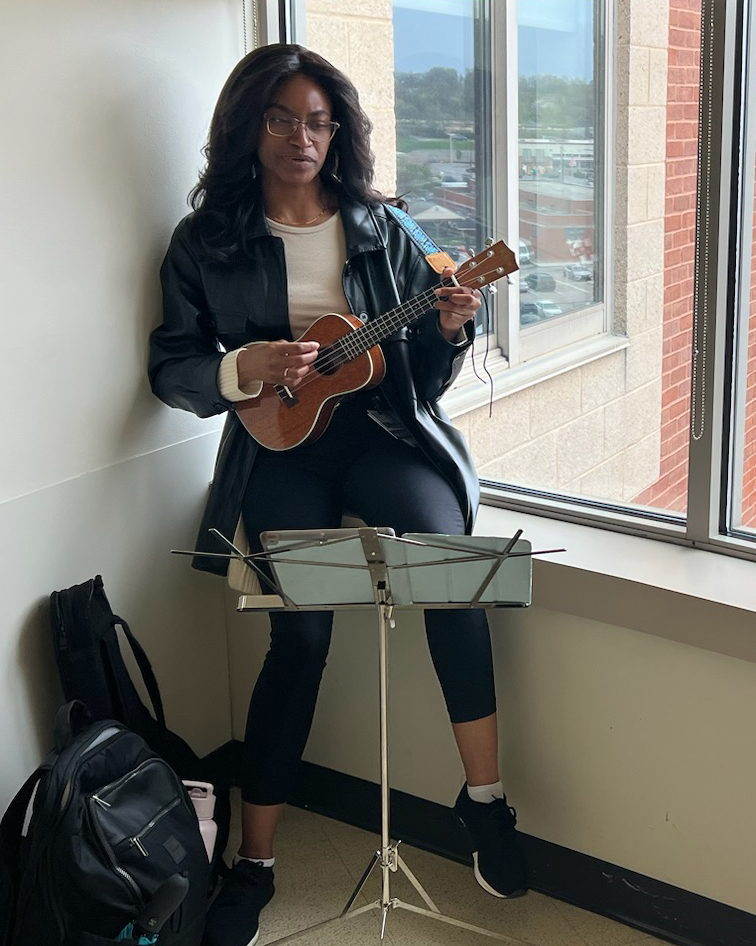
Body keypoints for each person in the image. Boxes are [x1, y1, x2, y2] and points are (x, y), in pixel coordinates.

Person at [149, 43, 527, 946]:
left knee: (450, 576)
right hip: (279, 452)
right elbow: (172, 366)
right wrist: (244, 366)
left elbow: (420, 384)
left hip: (382, 436)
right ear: (248, 125)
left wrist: (445, 328)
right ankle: (257, 861)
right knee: (303, 630)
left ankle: (486, 805)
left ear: (339, 132)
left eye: (319, 121)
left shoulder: (380, 228)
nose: (302, 137)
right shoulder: (207, 240)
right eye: (282, 118)